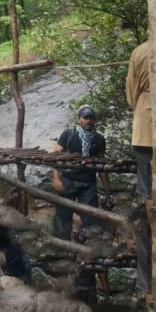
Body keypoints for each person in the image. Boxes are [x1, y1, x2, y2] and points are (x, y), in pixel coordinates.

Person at [52, 104, 111, 304]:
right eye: (85, 118)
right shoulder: (68, 134)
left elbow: (101, 165)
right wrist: (57, 179)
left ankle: (89, 253)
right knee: (63, 217)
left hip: (88, 183)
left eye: (91, 118)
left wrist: (107, 190)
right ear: (79, 119)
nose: (88, 121)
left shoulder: (99, 139)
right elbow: (56, 156)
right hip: (68, 180)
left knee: (90, 220)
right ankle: (61, 251)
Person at [126, 41, 152, 309]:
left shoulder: (141, 52)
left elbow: (131, 92)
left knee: (146, 185)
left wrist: (141, 104)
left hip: (145, 122)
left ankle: (150, 208)